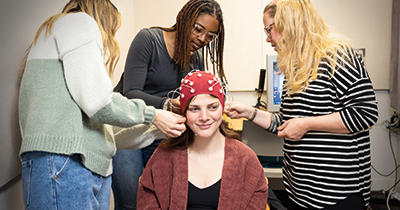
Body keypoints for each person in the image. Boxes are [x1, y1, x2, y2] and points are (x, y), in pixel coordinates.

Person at [18, 0, 187, 209]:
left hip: (77, 165)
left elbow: (107, 135)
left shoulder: (57, 34)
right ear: (108, 11)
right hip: (66, 165)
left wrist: (157, 127)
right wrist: (153, 114)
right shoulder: (79, 23)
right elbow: (100, 104)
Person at [225, 0, 379, 209]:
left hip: (336, 194)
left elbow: (365, 114)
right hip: (300, 191)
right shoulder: (294, 68)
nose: (268, 38)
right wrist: (250, 112)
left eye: (269, 29)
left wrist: (307, 124)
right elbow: (287, 122)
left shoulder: (339, 56)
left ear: (290, 23)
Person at [111, 0, 226, 209]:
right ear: (183, 18)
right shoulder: (148, 40)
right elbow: (130, 94)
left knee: (164, 200)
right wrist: (166, 104)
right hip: (128, 130)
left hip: (162, 133)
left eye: (210, 36)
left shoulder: (195, 58)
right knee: (130, 202)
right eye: (198, 29)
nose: (202, 39)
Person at [137, 70, 268, 209]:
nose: (204, 117)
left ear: (222, 108)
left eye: (212, 107)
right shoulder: (163, 157)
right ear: (184, 112)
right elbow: (146, 201)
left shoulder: (245, 159)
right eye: (194, 109)